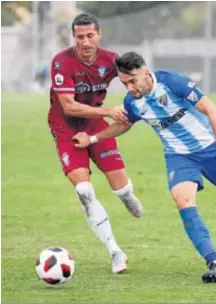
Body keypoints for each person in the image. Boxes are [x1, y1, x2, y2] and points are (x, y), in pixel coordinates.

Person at [72, 51, 216, 283]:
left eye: (133, 80)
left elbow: (213, 110)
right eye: (124, 83)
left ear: (145, 73)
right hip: (178, 156)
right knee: (183, 201)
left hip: (210, 148)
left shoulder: (172, 82)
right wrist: (92, 139)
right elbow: (123, 125)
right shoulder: (132, 102)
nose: (129, 87)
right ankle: (214, 263)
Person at [48, 15, 144, 274]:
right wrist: (108, 111)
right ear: (74, 37)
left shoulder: (113, 60)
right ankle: (115, 251)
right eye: (80, 37)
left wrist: (139, 99)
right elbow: (68, 106)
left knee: (121, 189)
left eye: (90, 36)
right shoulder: (61, 62)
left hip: (95, 125)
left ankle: (126, 196)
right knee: (84, 191)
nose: (86, 42)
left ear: (99, 35)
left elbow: (138, 78)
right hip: (65, 126)